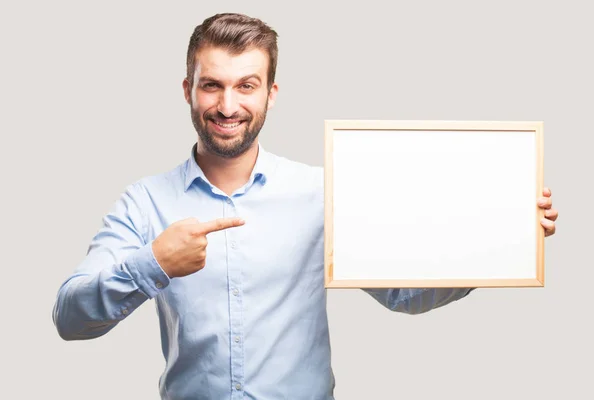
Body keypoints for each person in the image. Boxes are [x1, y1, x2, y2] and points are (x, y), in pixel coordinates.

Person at [52, 12, 559, 400]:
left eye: (246, 85)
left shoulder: (323, 192)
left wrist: (500, 239)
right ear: (188, 90)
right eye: (212, 85)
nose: (228, 106)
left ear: (271, 94)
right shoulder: (144, 201)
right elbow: (70, 316)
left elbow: (405, 294)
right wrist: (154, 264)